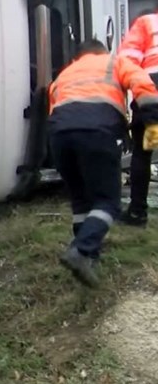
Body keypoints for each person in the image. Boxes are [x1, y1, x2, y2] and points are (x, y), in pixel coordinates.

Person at [48, 40, 158, 286]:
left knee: (81, 201)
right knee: (108, 202)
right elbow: (144, 87)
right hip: (97, 131)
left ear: (79, 56)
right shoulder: (115, 62)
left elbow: (52, 105)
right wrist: (152, 125)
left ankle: (89, 258)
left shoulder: (66, 73)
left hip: (59, 137)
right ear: (102, 52)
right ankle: (82, 250)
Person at [119, 8, 158, 227]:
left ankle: (137, 213)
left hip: (152, 95)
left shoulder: (146, 22)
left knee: (144, 153)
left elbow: (127, 61)